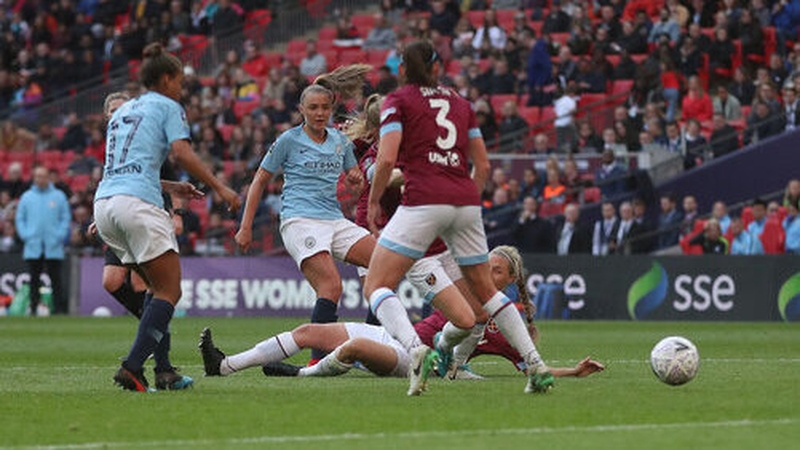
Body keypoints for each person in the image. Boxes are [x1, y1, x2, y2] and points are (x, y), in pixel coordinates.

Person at [362, 41, 554, 396]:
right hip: (464, 199)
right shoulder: (461, 103)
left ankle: (414, 348)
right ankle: (536, 365)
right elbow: (482, 165)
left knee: (375, 285)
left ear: (403, 70)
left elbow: (387, 160)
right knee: (485, 294)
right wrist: (465, 204)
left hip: (422, 200)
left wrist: (374, 202)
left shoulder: (397, 101)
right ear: (437, 68)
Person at [199, 245, 605, 380]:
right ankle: (225, 366)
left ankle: (302, 375)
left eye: (496, 270)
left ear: (509, 278)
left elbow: (532, 368)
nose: (486, 271)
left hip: (414, 360)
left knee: (356, 345)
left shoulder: (503, 317)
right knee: (309, 331)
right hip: (401, 334)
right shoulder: (464, 285)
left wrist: (573, 372)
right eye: (487, 264)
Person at [94, 43, 241, 392]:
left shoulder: (122, 112)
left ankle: (163, 371)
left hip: (105, 204)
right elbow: (181, 152)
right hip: (138, 206)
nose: (181, 87)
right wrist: (220, 187)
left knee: (153, 286)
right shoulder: (168, 105)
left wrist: (173, 186)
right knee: (169, 289)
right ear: (165, 78)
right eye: (178, 79)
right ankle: (132, 367)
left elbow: (127, 167)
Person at [235, 65, 376, 364]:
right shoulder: (288, 140)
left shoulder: (340, 141)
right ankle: (317, 359)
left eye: (325, 107)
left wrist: (355, 178)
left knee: (384, 264)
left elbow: (353, 174)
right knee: (331, 287)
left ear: (332, 108)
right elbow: (260, 180)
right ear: (301, 109)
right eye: (313, 107)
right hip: (300, 220)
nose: (319, 113)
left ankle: (373, 343)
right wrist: (245, 227)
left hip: (333, 219)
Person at [14, 166, 71, 316]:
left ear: (48, 177)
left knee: (56, 279)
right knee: (34, 279)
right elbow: (20, 218)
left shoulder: (59, 196)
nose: (40, 179)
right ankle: (33, 308)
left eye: (43, 176)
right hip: (33, 244)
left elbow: (65, 218)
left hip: (53, 245)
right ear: (34, 178)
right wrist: (26, 235)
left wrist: (59, 235)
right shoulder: (27, 197)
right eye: (37, 176)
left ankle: (59, 309)